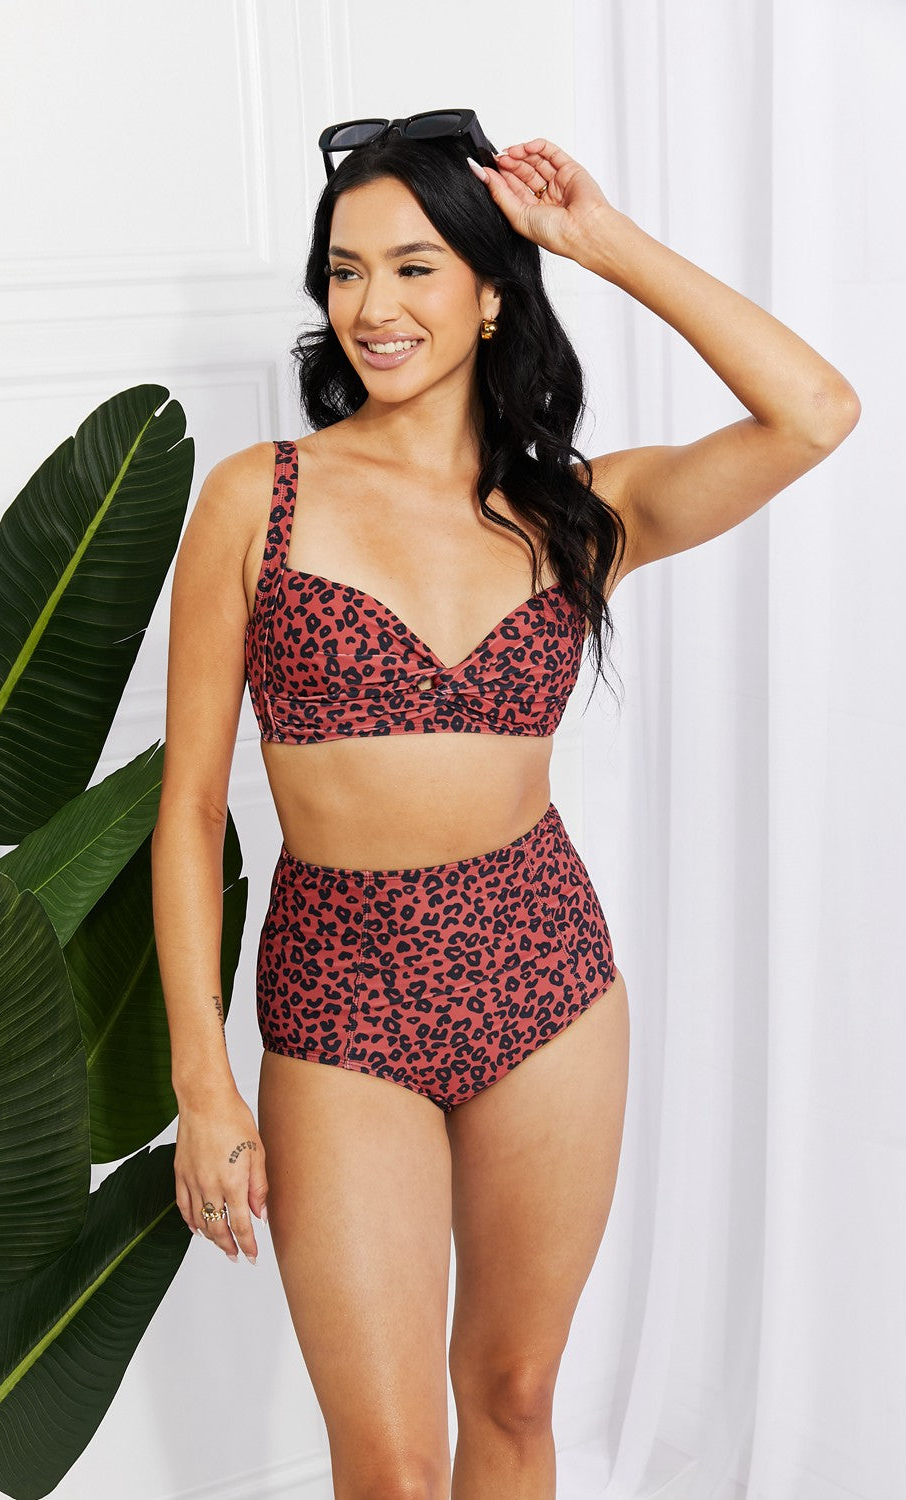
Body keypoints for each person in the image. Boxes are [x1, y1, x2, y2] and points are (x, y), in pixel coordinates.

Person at [151, 113, 859, 1500]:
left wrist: (600, 238)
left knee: (520, 1397)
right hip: (341, 992)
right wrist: (200, 1076)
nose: (372, 306)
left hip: (545, 974)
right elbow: (185, 811)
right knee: (393, 1466)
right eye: (345, 270)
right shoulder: (258, 501)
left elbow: (816, 411)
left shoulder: (576, 513)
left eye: (415, 268)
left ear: (491, 293)